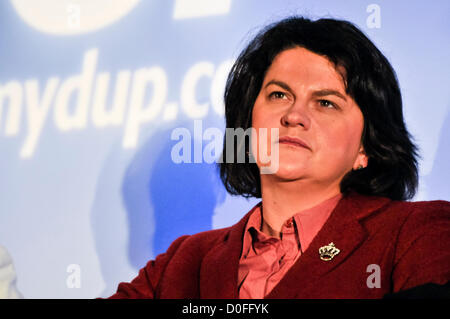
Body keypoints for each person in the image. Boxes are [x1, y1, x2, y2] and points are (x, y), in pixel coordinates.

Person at [107, 16, 450, 298]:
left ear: (366, 148)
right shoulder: (184, 262)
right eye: (278, 94)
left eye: (326, 102)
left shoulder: (417, 233)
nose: (294, 115)